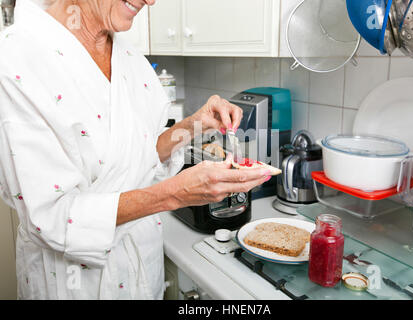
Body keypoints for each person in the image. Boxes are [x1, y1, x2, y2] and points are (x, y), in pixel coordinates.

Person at [0, 0, 271, 299]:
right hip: (73, 282)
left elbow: (142, 152)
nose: (151, 1)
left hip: (142, 265)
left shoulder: (129, 57)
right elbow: (52, 215)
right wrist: (175, 193)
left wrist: (194, 125)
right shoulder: (17, 61)